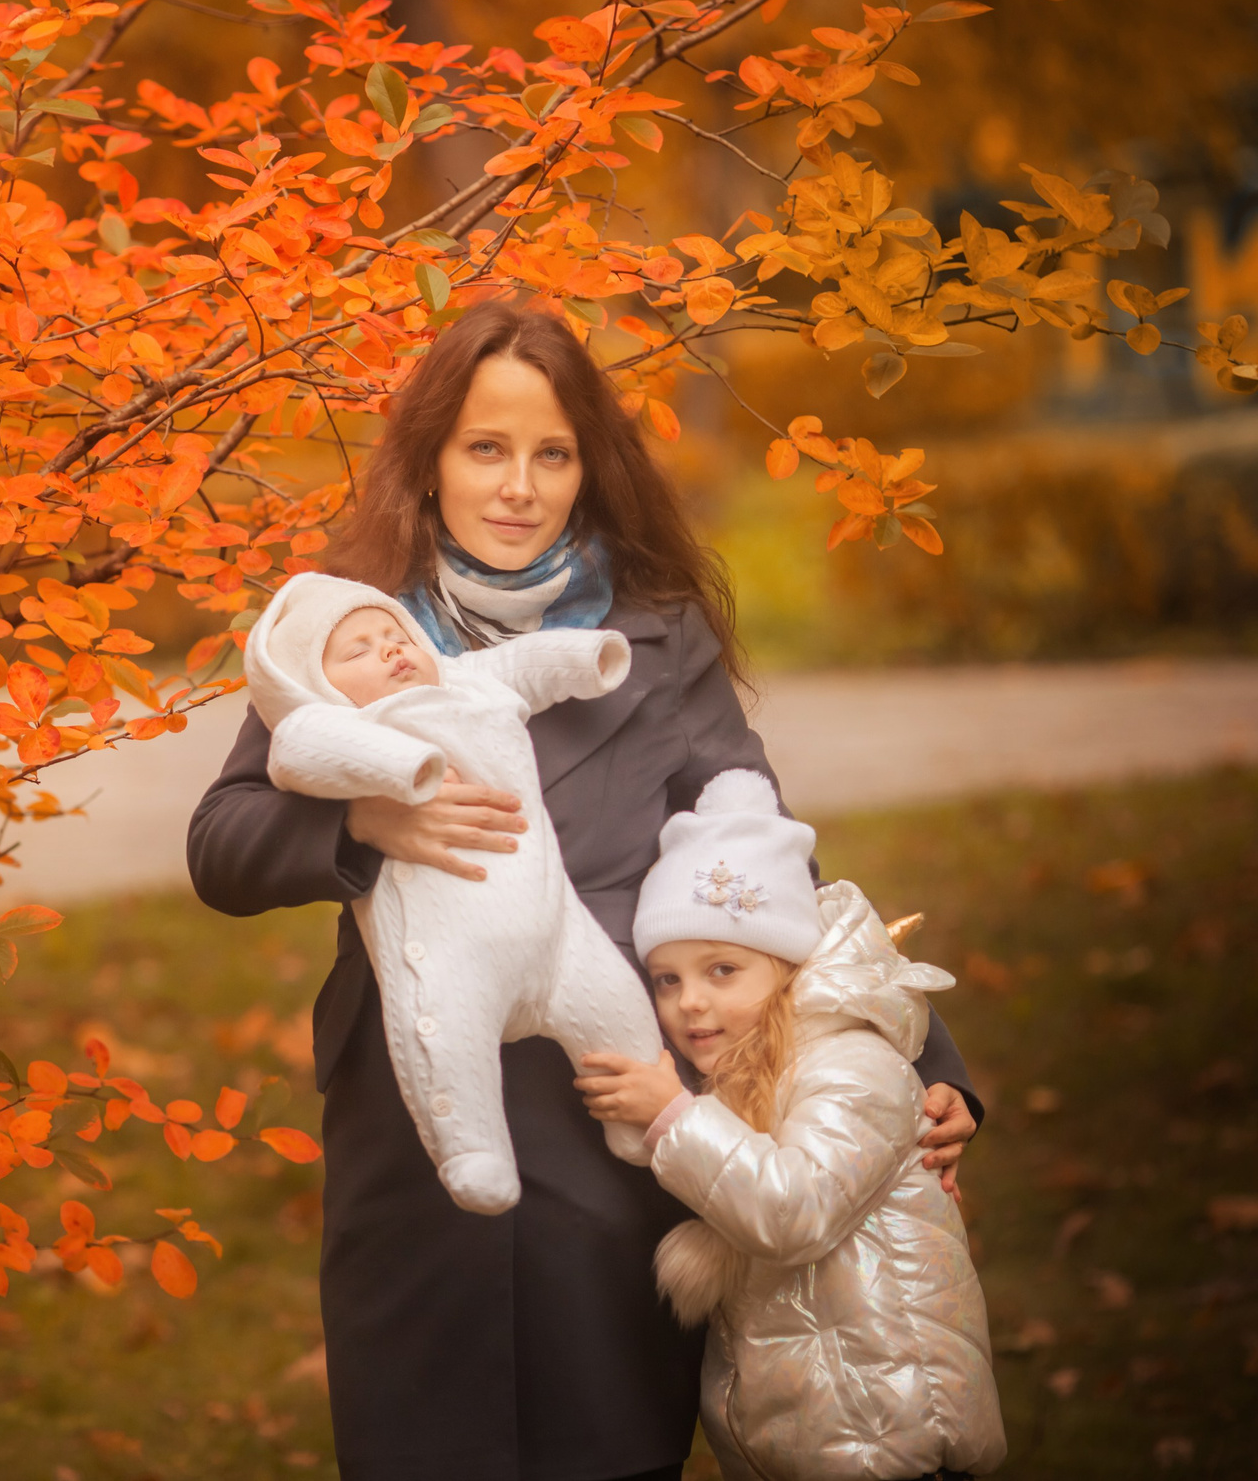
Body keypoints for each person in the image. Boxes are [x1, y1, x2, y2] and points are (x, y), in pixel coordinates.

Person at [183, 299, 982, 1481]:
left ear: (586, 467)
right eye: (486, 449)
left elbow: (765, 857)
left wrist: (921, 1061)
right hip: (413, 1127)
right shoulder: (353, 634)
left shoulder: (655, 635)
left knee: (602, 1440)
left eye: (551, 453)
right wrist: (361, 819)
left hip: (621, 1101)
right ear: (432, 462)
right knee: (423, 1446)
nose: (518, 485)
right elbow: (221, 842)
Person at [575, 768, 1006, 1481]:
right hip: (820, 1438)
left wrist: (672, 1118)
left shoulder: (849, 1064)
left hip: (892, 1435)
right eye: (668, 979)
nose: (689, 1003)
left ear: (787, 966)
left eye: (722, 969)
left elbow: (794, 1210)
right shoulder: (751, 1074)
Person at [245, 574, 659, 1213]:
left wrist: (586, 658)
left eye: (394, 634)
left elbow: (522, 663)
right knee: (444, 1036)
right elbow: (296, 751)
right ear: (316, 684)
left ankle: (639, 1122)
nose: (389, 650)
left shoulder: (465, 681)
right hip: (445, 951)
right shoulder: (332, 721)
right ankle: (474, 1151)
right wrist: (391, 780)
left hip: (559, 936)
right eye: (357, 651)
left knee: (616, 1008)